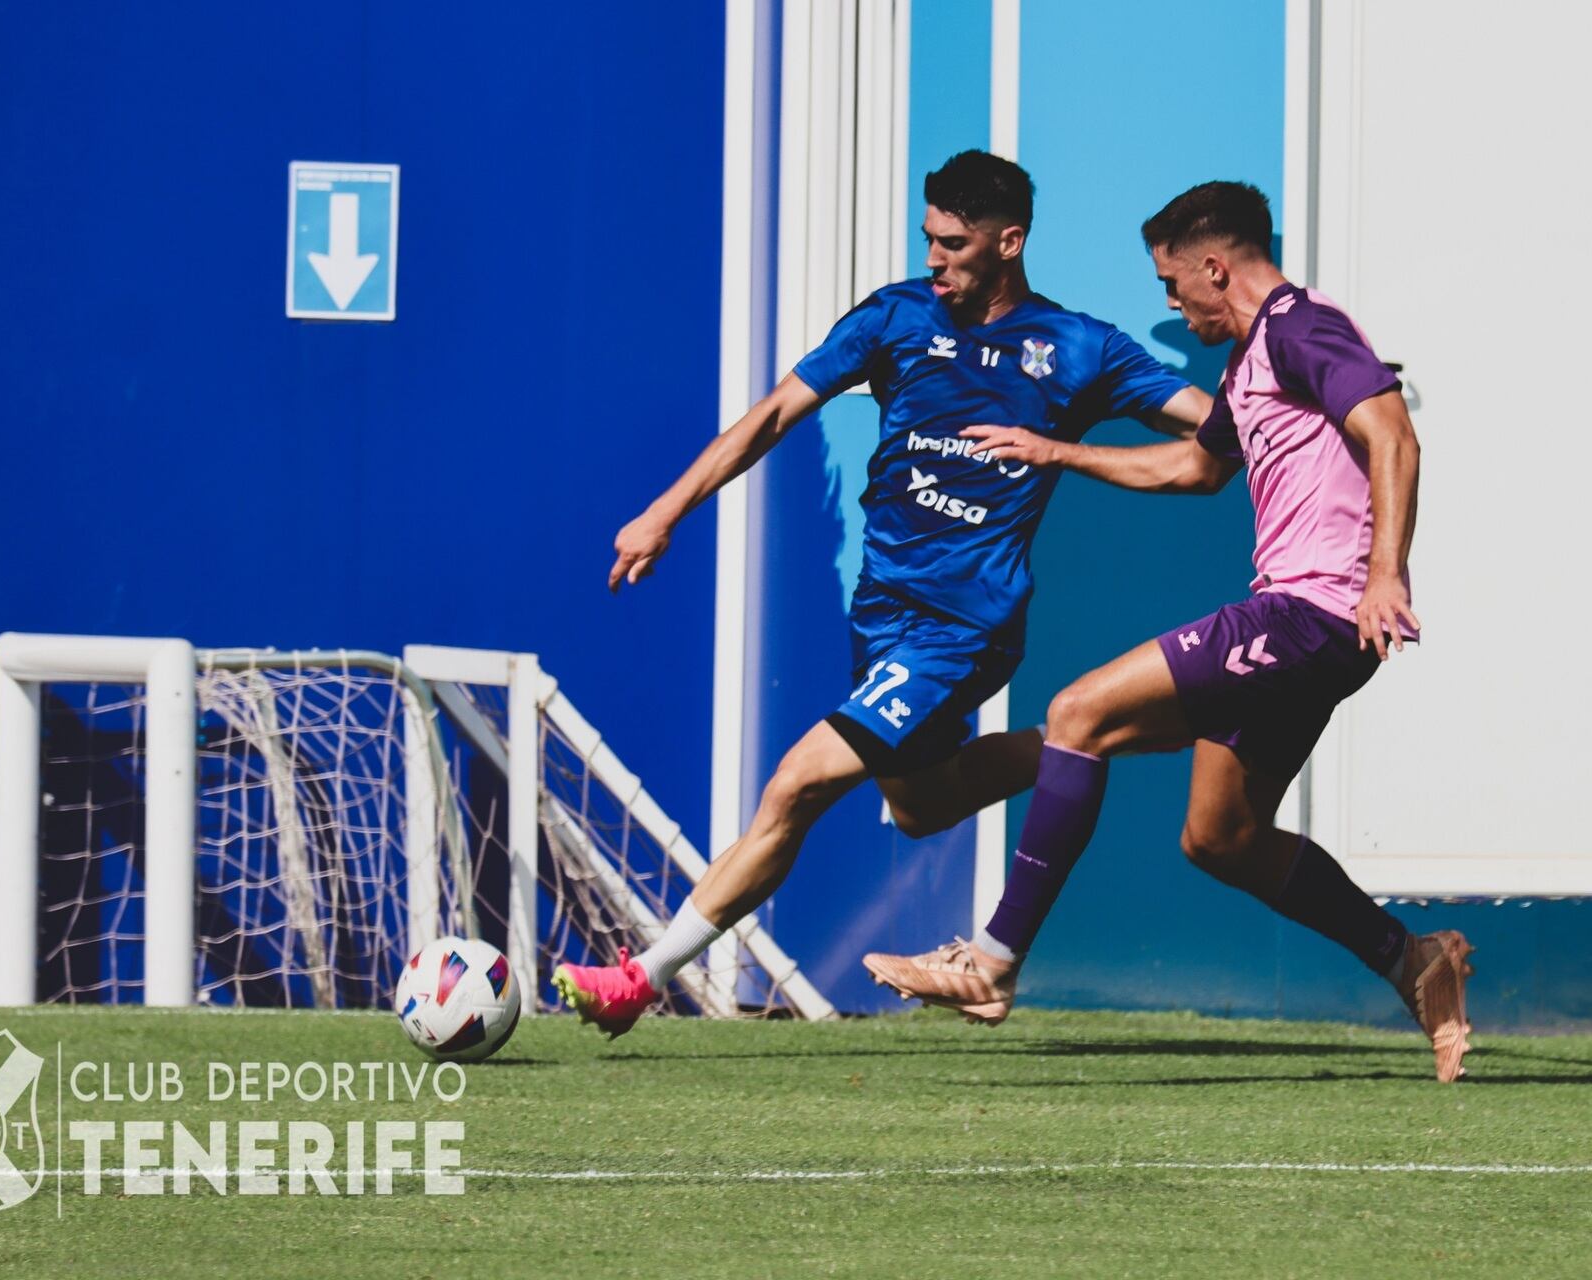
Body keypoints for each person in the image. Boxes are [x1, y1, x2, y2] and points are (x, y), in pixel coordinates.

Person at [552, 151, 1211, 1037]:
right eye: (928, 239)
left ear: (1008, 242)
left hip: (963, 624)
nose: (935, 258)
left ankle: (642, 978)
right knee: (922, 804)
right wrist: (666, 510)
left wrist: (1331, 403)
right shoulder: (896, 317)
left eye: (954, 242)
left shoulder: (1080, 349)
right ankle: (1096, 736)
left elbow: (1215, 429)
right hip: (883, 615)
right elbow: (774, 415)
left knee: (797, 784)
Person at [862, 180, 1474, 1083]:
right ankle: (1410, 958)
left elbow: (1393, 432)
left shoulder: (1304, 328)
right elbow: (1195, 466)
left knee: (1077, 714)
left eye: (1170, 284)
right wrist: (1060, 452)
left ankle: (991, 965)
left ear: (1215, 268)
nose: (1171, 306)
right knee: (1219, 836)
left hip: (1309, 612)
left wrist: (1384, 572)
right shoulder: (1253, 358)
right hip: (1317, 633)